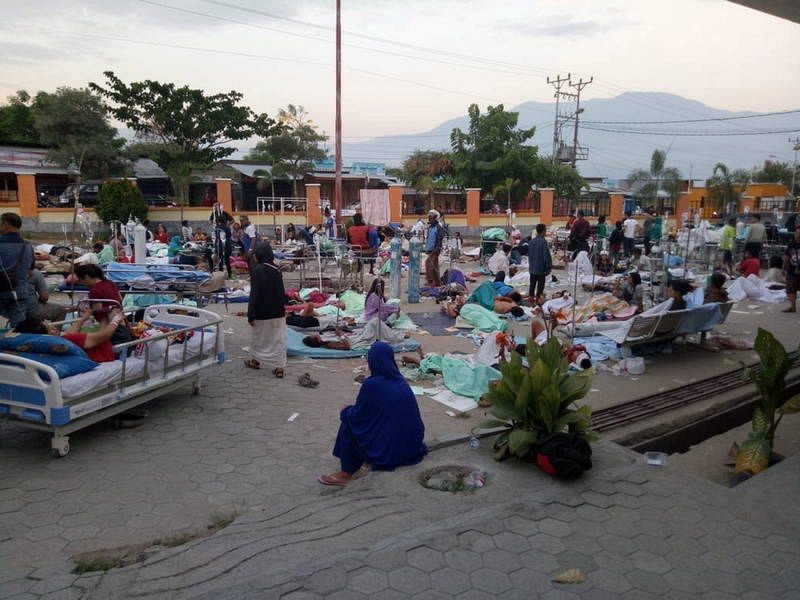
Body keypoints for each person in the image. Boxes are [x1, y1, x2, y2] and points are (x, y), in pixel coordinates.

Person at [318, 341, 426, 486]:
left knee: (348, 421)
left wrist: (345, 411)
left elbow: (358, 416)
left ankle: (346, 473)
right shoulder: (401, 381)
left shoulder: (372, 384)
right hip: (413, 447)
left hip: (391, 452)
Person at [14, 307, 125, 363]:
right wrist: (116, 319)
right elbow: (105, 335)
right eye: (50, 327)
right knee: (115, 318)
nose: (54, 328)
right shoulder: (66, 340)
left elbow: (71, 333)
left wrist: (84, 318)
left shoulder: (43, 343)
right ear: (45, 334)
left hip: (100, 345)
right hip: (113, 352)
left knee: (104, 320)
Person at [245, 244, 287, 377]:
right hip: (278, 311)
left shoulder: (258, 271)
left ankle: (256, 361)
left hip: (262, 312)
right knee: (278, 339)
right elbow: (281, 292)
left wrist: (251, 314)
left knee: (259, 338)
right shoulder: (277, 270)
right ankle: (279, 367)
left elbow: (254, 294)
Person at [0, 213, 34, 328]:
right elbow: (30, 272)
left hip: (1, 291)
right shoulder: (28, 246)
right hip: (20, 292)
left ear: (5, 224)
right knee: (19, 329)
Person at [528, 223, 552, 302]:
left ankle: (531, 299)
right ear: (543, 231)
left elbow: (529, 255)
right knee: (540, 286)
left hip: (532, 267)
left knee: (532, 285)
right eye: (545, 230)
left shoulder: (531, 241)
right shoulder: (543, 242)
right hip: (540, 268)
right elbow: (546, 256)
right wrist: (548, 267)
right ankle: (538, 300)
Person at [782, 225, 800, 313]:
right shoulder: (791, 244)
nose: (798, 235)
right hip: (792, 270)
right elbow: (786, 257)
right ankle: (793, 307)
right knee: (791, 289)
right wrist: (783, 269)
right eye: (796, 233)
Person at [425, 210, 444, 286]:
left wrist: (437, 249)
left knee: (428, 263)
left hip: (435, 249)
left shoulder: (438, 227)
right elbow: (429, 238)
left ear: (435, 219)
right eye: (429, 218)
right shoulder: (430, 227)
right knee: (435, 266)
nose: (430, 220)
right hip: (430, 249)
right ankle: (438, 283)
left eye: (431, 218)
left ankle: (430, 281)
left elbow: (440, 239)